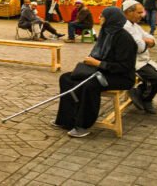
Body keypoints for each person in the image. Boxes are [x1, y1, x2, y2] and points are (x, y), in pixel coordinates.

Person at [53, 7, 137, 138]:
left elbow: (125, 67)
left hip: (121, 77)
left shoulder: (124, 39)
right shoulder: (105, 32)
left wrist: (98, 63)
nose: (99, 18)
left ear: (111, 19)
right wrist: (92, 61)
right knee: (66, 78)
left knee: (90, 85)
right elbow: (99, 53)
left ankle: (83, 125)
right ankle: (67, 119)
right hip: (101, 71)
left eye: (102, 16)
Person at [122, 0, 157, 114]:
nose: (142, 15)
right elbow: (139, 47)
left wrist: (148, 41)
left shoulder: (135, 25)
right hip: (133, 62)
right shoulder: (125, 27)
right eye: (139, 13)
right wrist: (146, 41)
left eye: (142, 12)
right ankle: (147, 99)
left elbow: (150, 38)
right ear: (128, 12)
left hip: (143, 60)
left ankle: (140, 91)